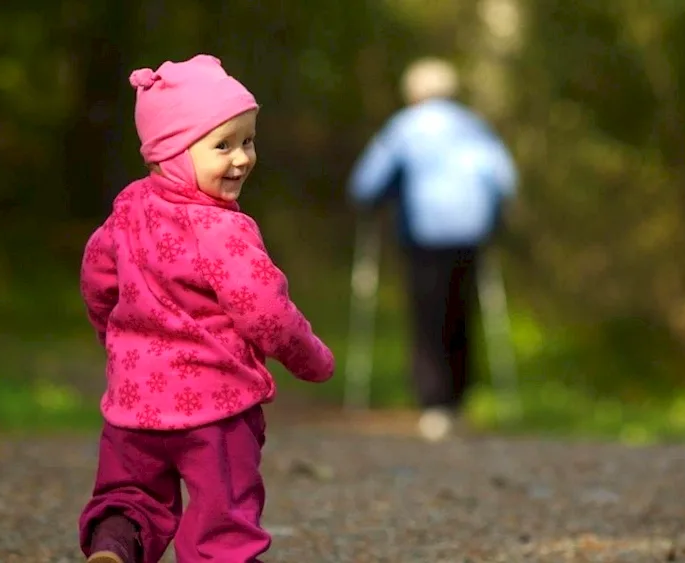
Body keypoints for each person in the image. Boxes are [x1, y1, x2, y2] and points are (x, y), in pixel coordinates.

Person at [77, 54, 335, 563]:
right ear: (171, 151)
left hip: (133, 407)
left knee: (128, 495)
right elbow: (265, 311)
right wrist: (311, 357)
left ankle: (114, 546)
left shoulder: (128, 208)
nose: (241, 159)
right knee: (224, 515)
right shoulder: (224, 229)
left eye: (248, 141)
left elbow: (96, 279)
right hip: (215, 411)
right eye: (223, 146)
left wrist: (114, 340)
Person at [346, 57, 518, 442]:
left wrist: (377, 201)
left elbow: (367, 182)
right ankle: (458, 400)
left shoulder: (404, 128)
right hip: (471, 233)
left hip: (425, 235)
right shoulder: (475, 127)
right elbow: (504, 179)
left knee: (428, 316)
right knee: (462, 312)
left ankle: (435, 404)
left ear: (413, 94)